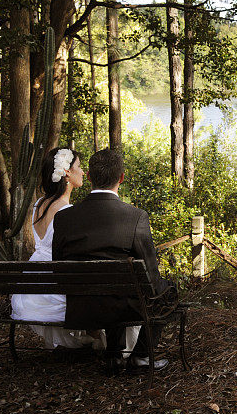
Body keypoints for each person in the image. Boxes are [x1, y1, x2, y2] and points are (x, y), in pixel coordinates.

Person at [51, 148, 178, 374]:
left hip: (81, 309)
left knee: (117, 288)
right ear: (121, 178)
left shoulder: (63, 218)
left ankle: (114, 356)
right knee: (165, 291)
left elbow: (58, 267)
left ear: (89, 176)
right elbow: (151, 273)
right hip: (121, 308)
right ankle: (141, 356)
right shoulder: (135, 217)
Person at [10, 147, 105, 350]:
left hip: (31, 288)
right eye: (79, 167)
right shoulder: (68, 212)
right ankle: (96, 338)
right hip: (52, 286)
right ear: (67, 173)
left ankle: (86, 339)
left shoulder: (38, 205)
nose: (83, 172)